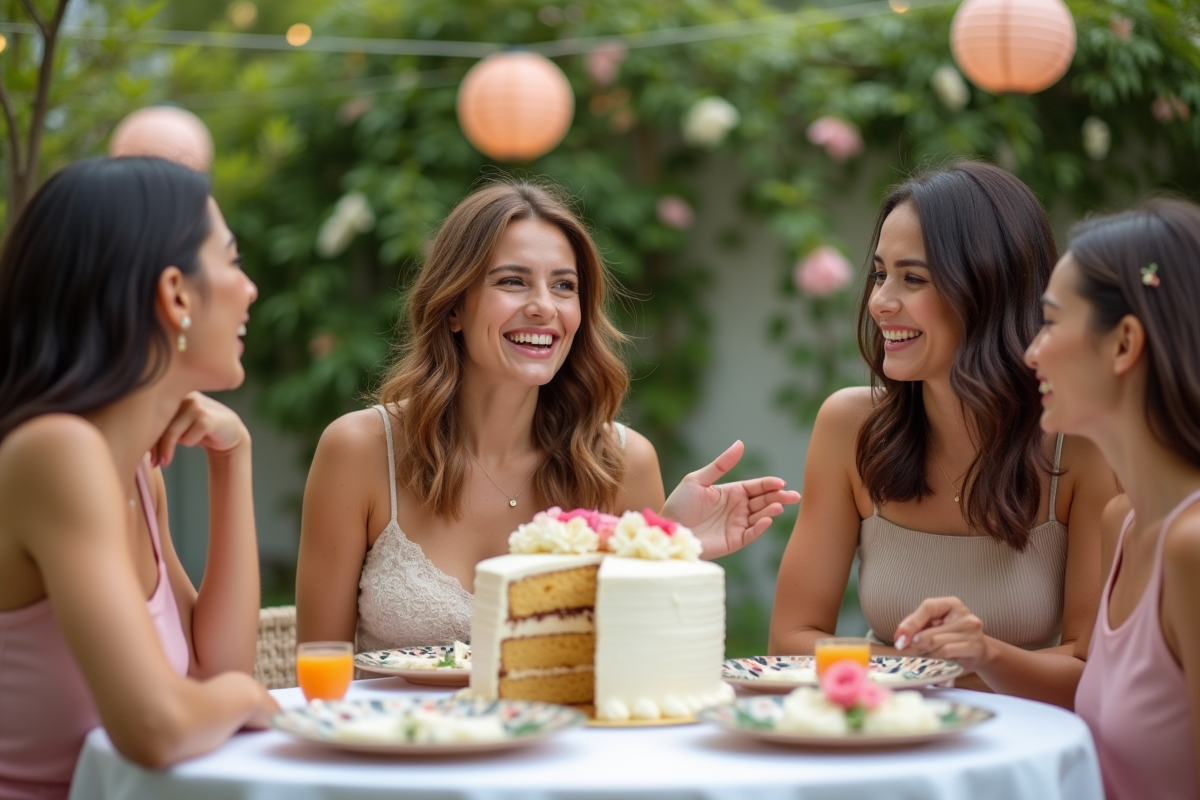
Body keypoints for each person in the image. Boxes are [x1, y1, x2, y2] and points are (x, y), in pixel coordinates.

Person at [297, 180, 799, 651]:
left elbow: (643, 661)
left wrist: (665, 546)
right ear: (454, 307)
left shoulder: (623, 462)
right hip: (397, 740)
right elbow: (317, 672)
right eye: (513, 281)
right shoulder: (360, 451)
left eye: (563, 287)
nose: (543, 307)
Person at [769, 161, 1118, 706]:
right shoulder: (848, 427)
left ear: (987, 291)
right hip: (884, 735)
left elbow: (1088, 667)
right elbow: (792, 642)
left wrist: (982, 654)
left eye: (913, 278)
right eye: (879, 274)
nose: (881, 301)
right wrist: (925, 670)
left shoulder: (1080, 448)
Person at [0, 157, 278, 797]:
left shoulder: (132, 476)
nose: (250, 288)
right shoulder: (56, 453)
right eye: (231, 261)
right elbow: (157, 724)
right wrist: (249, 696)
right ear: (176, 293)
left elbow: (209, 673)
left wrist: (232, 461)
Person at [1025, 198, 1200, 798]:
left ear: (1124, 343)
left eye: (1050, 322)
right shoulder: (1122, 523)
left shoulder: (1192, 548)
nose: (1032, 352)